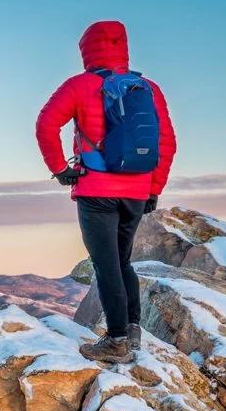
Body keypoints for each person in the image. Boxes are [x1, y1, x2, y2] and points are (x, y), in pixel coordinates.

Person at [36, 20, 176, 364]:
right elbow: (167, 144)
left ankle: (115, 341)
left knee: (106, 265)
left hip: (96, 191)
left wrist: (60, 170)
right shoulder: (149, 89)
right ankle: (132, 331)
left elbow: (45, 125)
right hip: (137, 191)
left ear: (87, 50)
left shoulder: (79, 85)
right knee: (123, 260)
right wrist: (153, 189)